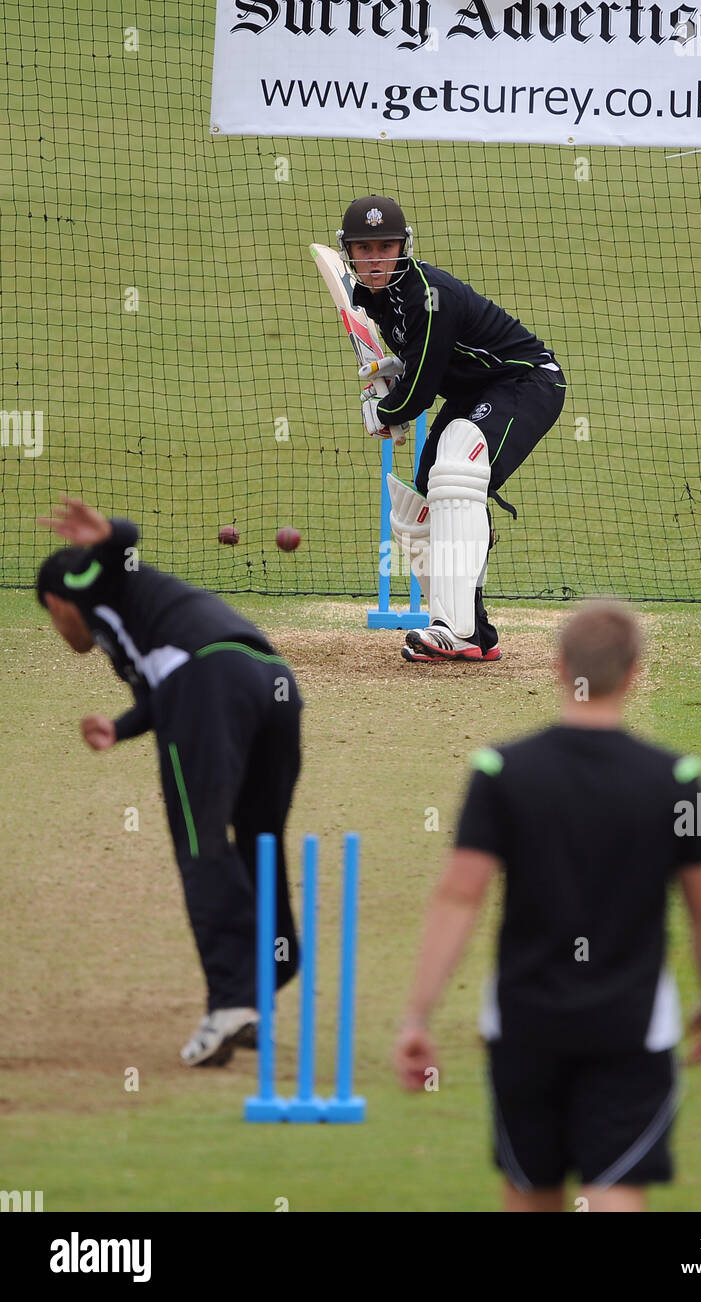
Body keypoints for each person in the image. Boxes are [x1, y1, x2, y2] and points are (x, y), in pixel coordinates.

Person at [393, 599, 701, 1211]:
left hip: (525, 1021)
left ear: (557, 668)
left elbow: (459, 895)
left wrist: (418, 1017)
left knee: (531, 1190)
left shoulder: (501, 771)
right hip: (631, 1026)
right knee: (615, 1188)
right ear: (634, 675)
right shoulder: (675, 778)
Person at [36, 496, 302, 1067]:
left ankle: (232, 1003)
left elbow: (120, 543)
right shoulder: (133, 625)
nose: (60, 633)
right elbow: (159, 693)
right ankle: (272, 964)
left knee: (200, 842)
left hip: (206, 681)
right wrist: (121, 726)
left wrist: (105, 533)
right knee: (258, 834)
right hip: (271, 681)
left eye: (50, 618)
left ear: (56, 603)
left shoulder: (83, 581)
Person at [340, 194, 566, 663]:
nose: (376, 259)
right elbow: (429, 360)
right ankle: (475, 633)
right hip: (476, 390)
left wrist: (384, 412)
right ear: (350, 253)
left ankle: (455, 629)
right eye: (365, 250)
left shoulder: (428, 294)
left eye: (386, 247)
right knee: (423, 499)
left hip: (524, 378)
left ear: (404, 246)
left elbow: (421, 393)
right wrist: (397, 373)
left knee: (456, 468)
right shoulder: (376, 297)